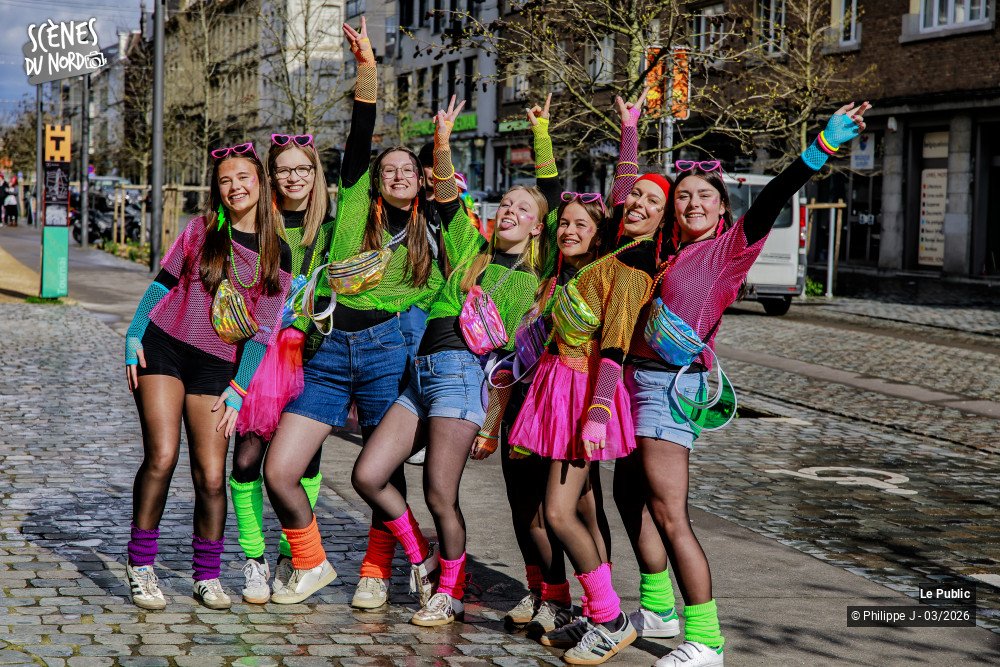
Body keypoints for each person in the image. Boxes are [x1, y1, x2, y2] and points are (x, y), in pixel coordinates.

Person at [616, 102, 870, 667]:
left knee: (669, 512)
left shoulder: (729, 248)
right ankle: (656, 607)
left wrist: (821, 146)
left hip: (669, 387)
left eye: (705, 195)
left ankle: (706, 639)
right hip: (632, 382)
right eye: (683, 196)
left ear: (721, 206)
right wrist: (631, 133)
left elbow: (776, 195)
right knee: (628, 496)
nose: (692, 203)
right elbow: (624, 200)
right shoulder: (663, 248)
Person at [351, 94, 554, 627]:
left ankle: (452, 589)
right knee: (369, 474)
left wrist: (490, 425)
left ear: (537, 229)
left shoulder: (528, 282)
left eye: (523, 210)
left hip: (462, 380)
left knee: (441, 493)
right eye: (506, 205)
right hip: (421, 373)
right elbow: (444, 198)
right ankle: (419, 551)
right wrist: (441, 142)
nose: (510, 212)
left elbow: (507, 365)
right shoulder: (470, 249)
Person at [262, 17, 445, 606]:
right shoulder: (356, 206)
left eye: (406, 171)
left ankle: (375, 568)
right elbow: (362, 132)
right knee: (280, 470)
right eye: (386, 169)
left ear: (420, 182)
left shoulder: (428, 230)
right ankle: (312, 563)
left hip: (390, 350)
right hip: (331, 350)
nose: (394, 175)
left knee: (380, 472)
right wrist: (367, 67)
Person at [507, 90, 663, 665]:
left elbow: (616, 346)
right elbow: (616, 198)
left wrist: (598, 409)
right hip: (555, 389)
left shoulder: (627, 267)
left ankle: (609, 618)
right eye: (564, 223)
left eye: (580, 223)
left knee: (558, 512)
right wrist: (628, 126)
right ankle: (596, 613)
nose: (568, 228)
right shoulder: (591, 263)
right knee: (587, 509)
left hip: (583, 395)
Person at [123, 141, 291, 611]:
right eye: (225, 181)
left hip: (219, 366)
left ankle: (207, 576)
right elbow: (163, 282)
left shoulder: (279, 255)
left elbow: (262, 331)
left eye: (243, 178)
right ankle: (141, 566)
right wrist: (134, 334)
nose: (235, 187)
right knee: (161, 456)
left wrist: (240, 387)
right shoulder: (200, 230)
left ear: (261, 182)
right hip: (164, 347)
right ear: (217, 189)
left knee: (212, 477)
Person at [471, 96, 610, 639]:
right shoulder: (529, 273)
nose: (565, 231)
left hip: (556, 404)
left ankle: (573, 601)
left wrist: (543, 136)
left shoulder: (557, 265)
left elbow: (552, 199)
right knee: (520, 504)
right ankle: (542, 591)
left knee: (561, 509)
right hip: (513, 401)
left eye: (531, 213)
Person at [228, 131, 334, 604]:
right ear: (272, 176)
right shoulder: (258, 223)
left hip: (311, 355)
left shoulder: (331, 230)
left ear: (315, 175)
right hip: (257, 353)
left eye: (303, 169)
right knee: (248, 458)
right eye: (285, 169)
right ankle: (254, 559)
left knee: (302, 462)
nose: (294, 177)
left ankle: (296, 552)